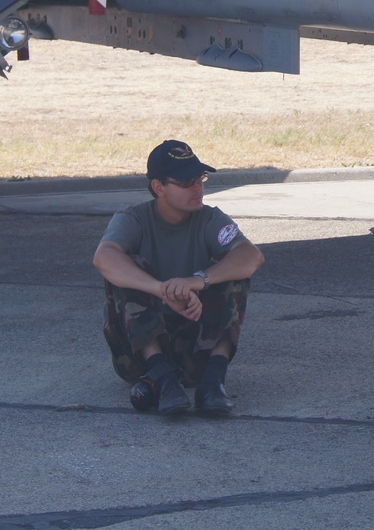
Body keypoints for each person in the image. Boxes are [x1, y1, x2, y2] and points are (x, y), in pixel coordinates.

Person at [93, 140, 264, 417]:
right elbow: (104, 257)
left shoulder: (210, 219)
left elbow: (251, 255)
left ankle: (213, 382)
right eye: (187, 182)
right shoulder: (134, 219)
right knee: (125, 270)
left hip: (196, 351)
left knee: (232, 271)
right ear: (159, 187)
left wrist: (198, 280)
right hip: (138, 358)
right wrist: (163, 290)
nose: (198, 187)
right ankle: (162, 377)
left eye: (200, 178)